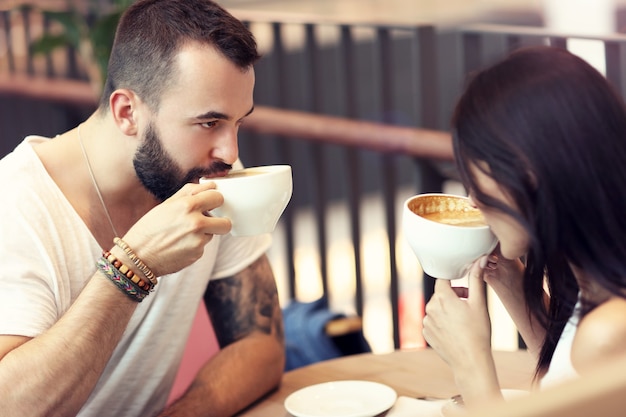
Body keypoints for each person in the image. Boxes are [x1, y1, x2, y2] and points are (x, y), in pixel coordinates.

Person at [0, 1, 285, 416]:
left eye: (238, 123)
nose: (230, 151)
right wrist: (132, 267)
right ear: (127, 112)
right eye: (209, 123)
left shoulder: (207, 174)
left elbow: (261, 345)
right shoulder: (17, 204)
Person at [422, 45, 626, 409]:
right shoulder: (599, 281)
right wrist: (513, 284)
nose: (473, 200)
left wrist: (471, 363)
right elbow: (568, 386)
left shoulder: (611, 330)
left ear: (532, 173)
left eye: (478, 179)